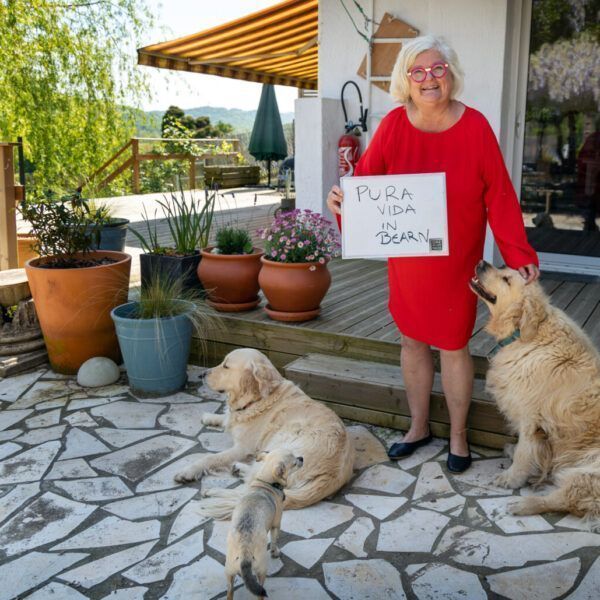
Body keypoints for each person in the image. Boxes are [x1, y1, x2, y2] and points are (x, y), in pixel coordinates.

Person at [326, 35, 539, 473]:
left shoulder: (476, 126)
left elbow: (498, 194)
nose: (429, 79)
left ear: (451, 75)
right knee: (411, 340)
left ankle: (458, 436)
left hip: (458, 261)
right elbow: (365, 187)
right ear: (406, 79)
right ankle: (418, 426)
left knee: (454, 345)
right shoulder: (392, 126)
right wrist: (342, 200)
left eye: (438, 69)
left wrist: (518, 253)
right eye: (418, 71)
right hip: (408, 261)